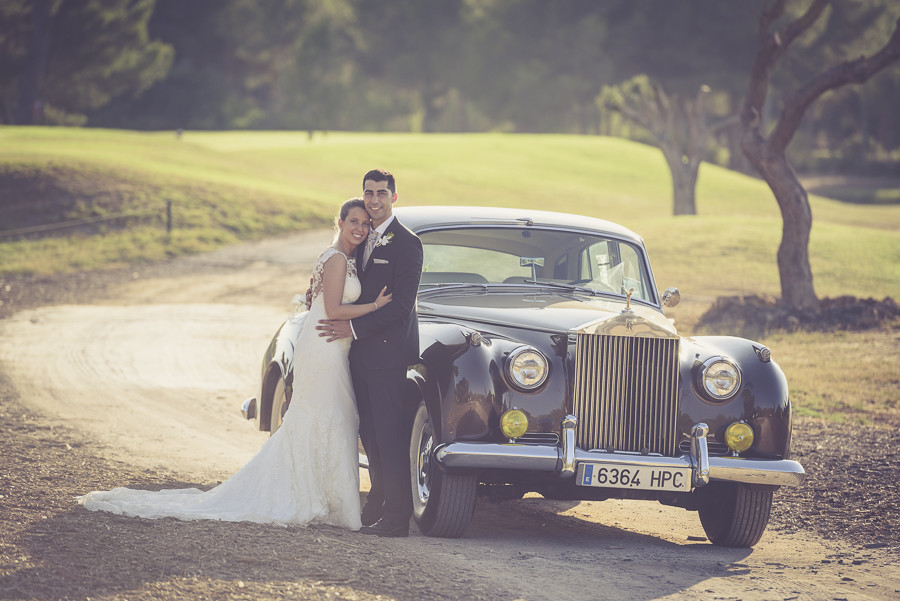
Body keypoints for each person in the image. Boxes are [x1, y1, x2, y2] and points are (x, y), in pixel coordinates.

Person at [77, 198, 391, 530]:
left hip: (331, 345)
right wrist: (375, 305)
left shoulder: (344, 258)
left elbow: (316, 301)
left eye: (364, 224)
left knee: (329, 417)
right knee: (325, 416)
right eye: (353, 221)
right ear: (339, 223)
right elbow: (334, 308)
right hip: (325, 346)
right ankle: (311, 498)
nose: (359, 228)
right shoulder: (338, 259)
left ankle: (323, 497)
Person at [317, 169, 423, 538]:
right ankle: (378, 506)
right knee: (372, 435)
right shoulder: (362, 237)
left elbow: (402, 308)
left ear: (395, 196)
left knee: (390, 436)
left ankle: (397, 519)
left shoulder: (408, 243)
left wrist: (354, 328)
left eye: (381, 193)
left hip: (387, 354)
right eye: (368, 193)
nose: (374, 199)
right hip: (358, 355)